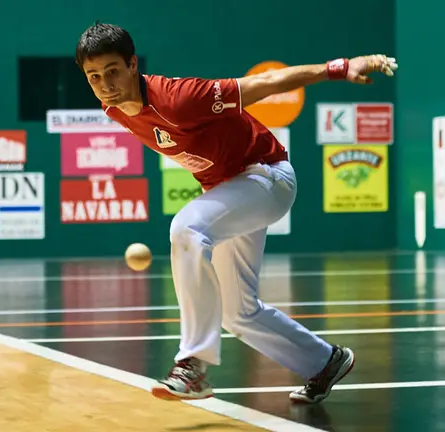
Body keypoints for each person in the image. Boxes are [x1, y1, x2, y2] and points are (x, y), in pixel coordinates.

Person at [75, 21, 397, 404]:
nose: (105, 84)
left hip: (267, 177)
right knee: (238, 312)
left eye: (113, 71)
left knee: (187, 228)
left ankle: (192, 364)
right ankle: (325, 362)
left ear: (132, 65)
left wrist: (340, 67)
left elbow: (267, 83)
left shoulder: (180, 97)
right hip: (231, 190)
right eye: (94, 76)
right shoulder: (113, 108)